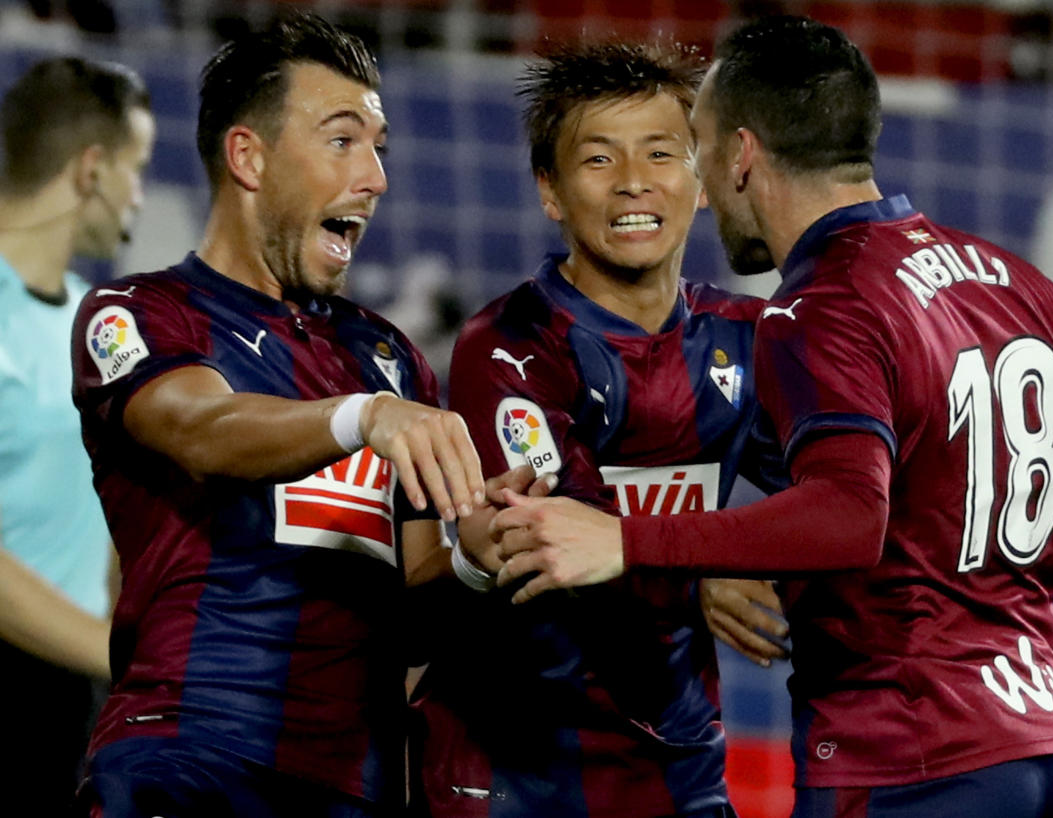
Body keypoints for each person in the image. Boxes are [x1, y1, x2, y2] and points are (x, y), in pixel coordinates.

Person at [489, 16, 1053, 818]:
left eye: (697, 150)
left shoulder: (819, 306)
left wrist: (625, 540)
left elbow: (846, 517)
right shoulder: (1010, 282)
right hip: (1051, 750)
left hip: (906, 755)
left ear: (741, 156)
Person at [71, 14, 486, 817]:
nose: (375, 177)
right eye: (341, 141)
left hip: (357, 788)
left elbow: (414, 625)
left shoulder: (391, 358)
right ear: (248, 157)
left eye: (379, 147)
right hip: (187, 764)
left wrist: (480, 560)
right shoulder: (140, 312)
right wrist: (361, 418)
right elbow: (203, 432)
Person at [409, 40, 789, 818]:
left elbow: (842, 494)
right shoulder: (511, 344)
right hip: (513, 771)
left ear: (704, 180)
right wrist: (701, 561)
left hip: (678, 765)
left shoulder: (745, 339)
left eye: (660, 153)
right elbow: (550, 527)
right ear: (550, 192)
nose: (633, 183)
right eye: (598, 160)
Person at [0, 56, 152, 815]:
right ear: (91, 168)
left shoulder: (88, 324)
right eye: (138, 166)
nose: (141, 192)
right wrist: (127, 657)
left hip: (75, 701)